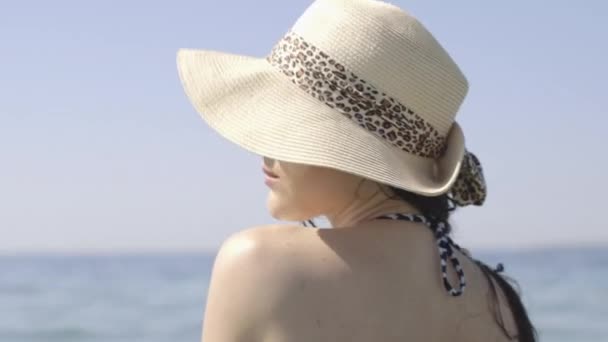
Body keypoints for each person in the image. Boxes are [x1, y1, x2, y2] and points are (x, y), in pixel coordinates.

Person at [176, 0, 538, 341]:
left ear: (356, 151)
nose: (264, 149)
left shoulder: (256, 265)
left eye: (289, 126)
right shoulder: (497, 301)